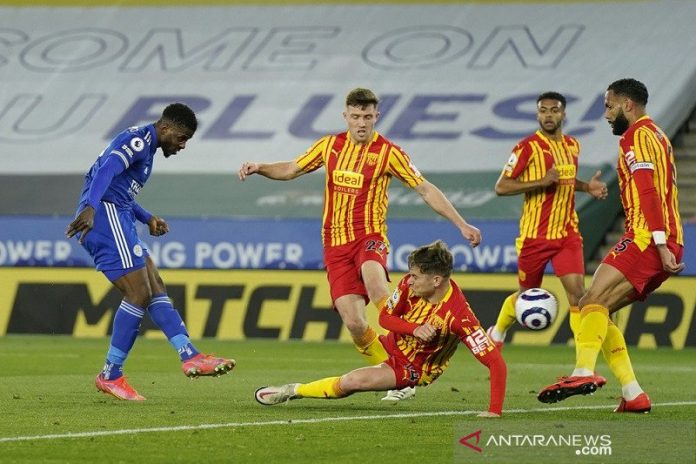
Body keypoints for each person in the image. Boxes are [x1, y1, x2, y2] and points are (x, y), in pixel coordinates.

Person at [238, 88, 481, 402]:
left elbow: (424, 188)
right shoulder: (330, 146)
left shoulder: (390, 153)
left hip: (370, 238)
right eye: (356, 116)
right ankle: (399, 374)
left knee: (375, 281)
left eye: (367, 116)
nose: (362, 122)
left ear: (376, 116)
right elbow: (292, 169)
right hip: (335, 246)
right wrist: (261, 167)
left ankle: (408, 337)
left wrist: (460, 224)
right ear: (346, 116)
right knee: (354, 323)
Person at [66, 103, 235, 401]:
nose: (182, 146)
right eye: (181, 138)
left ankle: (190, 355)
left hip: (119, 214)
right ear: (165, 128)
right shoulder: (138, 141)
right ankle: (110, 374)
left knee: (155, 285)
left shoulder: (147, 148)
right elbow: (105, 172)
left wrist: (148, 218)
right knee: (138, 293)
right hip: (105, 215)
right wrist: (91, 208)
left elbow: (121, 190)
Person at [537, 78, 684, 413]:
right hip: (658, 239)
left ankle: (582, 372)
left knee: (590, 301)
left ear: (627, 105)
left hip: (647, 238)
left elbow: (647, 190)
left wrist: (659, 243)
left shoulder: (636, 136)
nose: (605, 114)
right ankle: (634, 394)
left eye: (609, 105)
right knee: (600, 310)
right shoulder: (658, 135)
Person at [254, 240, 507, 417]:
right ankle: (401, 389)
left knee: (353, 381)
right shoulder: (409, 284)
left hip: (414, 367)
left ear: (436, 280)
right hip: (391, 344)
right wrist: (414, 328)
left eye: (417, 276)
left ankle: (292, 390)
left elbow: (496, 363)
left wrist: (494, 411)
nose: (410, 279)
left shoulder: (459, 317)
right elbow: (386, 318)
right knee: (356, 326)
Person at [487, 91, 608, 356]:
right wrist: (539, 182)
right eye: (543, 110)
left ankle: (583, 360)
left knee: (579, 296)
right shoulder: (526, 148)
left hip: (567, 234)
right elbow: (501, 187)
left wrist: (588, 187)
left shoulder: (573, 145)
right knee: (526, 294)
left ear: (563, 114)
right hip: (535, 236)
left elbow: (566, 180)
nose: (548, 115)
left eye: (554, 110)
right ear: (537, 114)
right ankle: (498, 330)